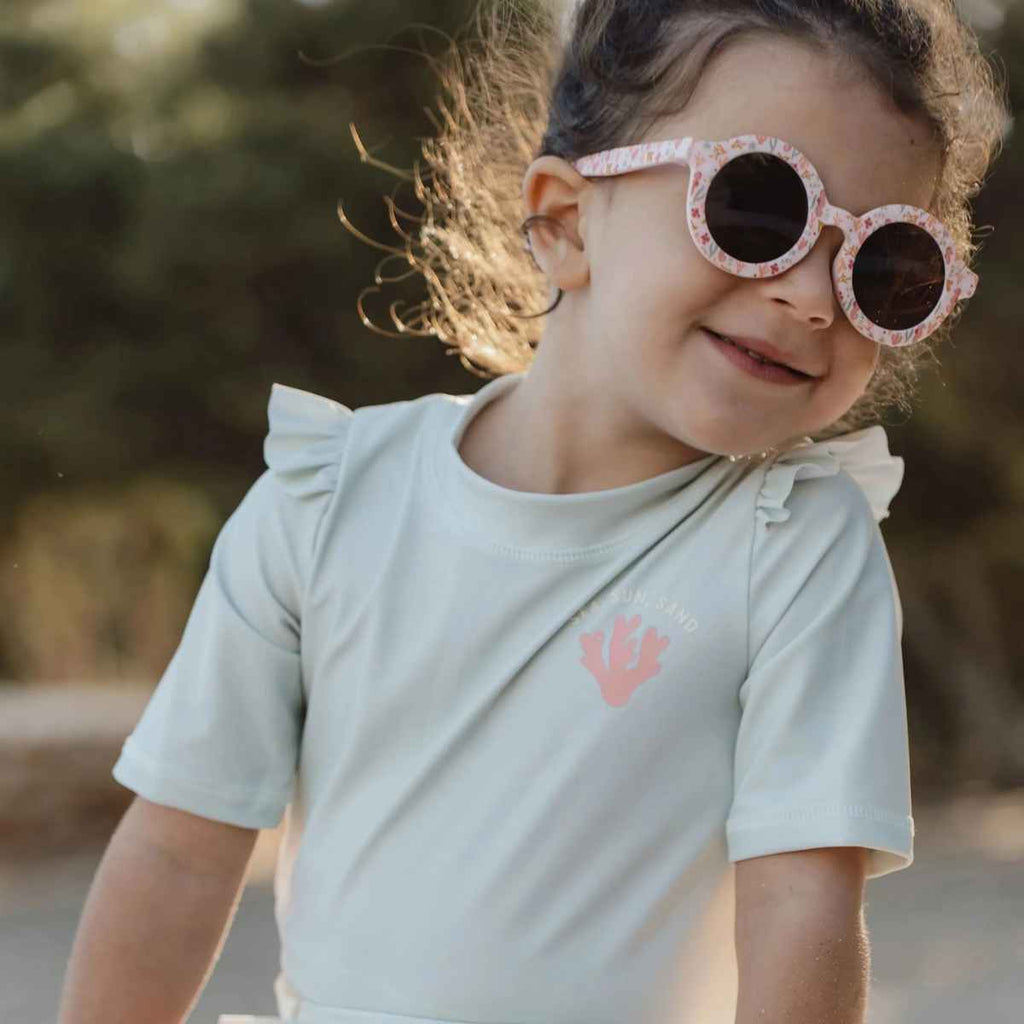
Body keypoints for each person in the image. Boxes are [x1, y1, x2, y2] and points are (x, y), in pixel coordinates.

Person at [57, 1, 1008, 1023]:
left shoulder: (793, 547)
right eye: (760, 211)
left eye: (885, 269)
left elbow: (801, 903)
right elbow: (176, 848)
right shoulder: (327, 501)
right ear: (562, 219)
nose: (813, 298)